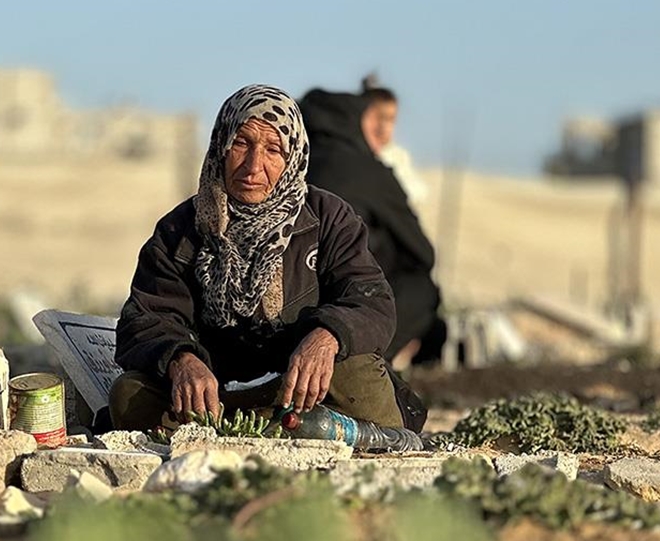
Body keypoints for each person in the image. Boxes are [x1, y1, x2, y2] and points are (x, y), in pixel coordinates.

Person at [110, 84, 423, 433]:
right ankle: (273, 427)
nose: (253, 166)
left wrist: (326, 337)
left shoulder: (329, 218)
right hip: (215, 395)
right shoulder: (179, 230)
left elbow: (372, 301)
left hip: (301, 389)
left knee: (357, 377)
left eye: (273, 149)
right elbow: (145, 318)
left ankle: (275, 425)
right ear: (221, 146)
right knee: (129, 394)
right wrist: (181, 359)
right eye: (241, 144)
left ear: (293, 158)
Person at [300, 85, 446, 368]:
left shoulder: (293, 163)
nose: (381, 131)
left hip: (293, 301)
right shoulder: (368, 171)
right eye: (373, 120)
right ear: (354, 123)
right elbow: (423, 253)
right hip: (346, 303)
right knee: (421, 288)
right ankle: (367, 363)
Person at [359, 76, 429, 209]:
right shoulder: (351, 153)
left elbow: (416, 192)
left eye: (390, 119)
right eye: (378, 118)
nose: (383, 126)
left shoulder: (397, 156)